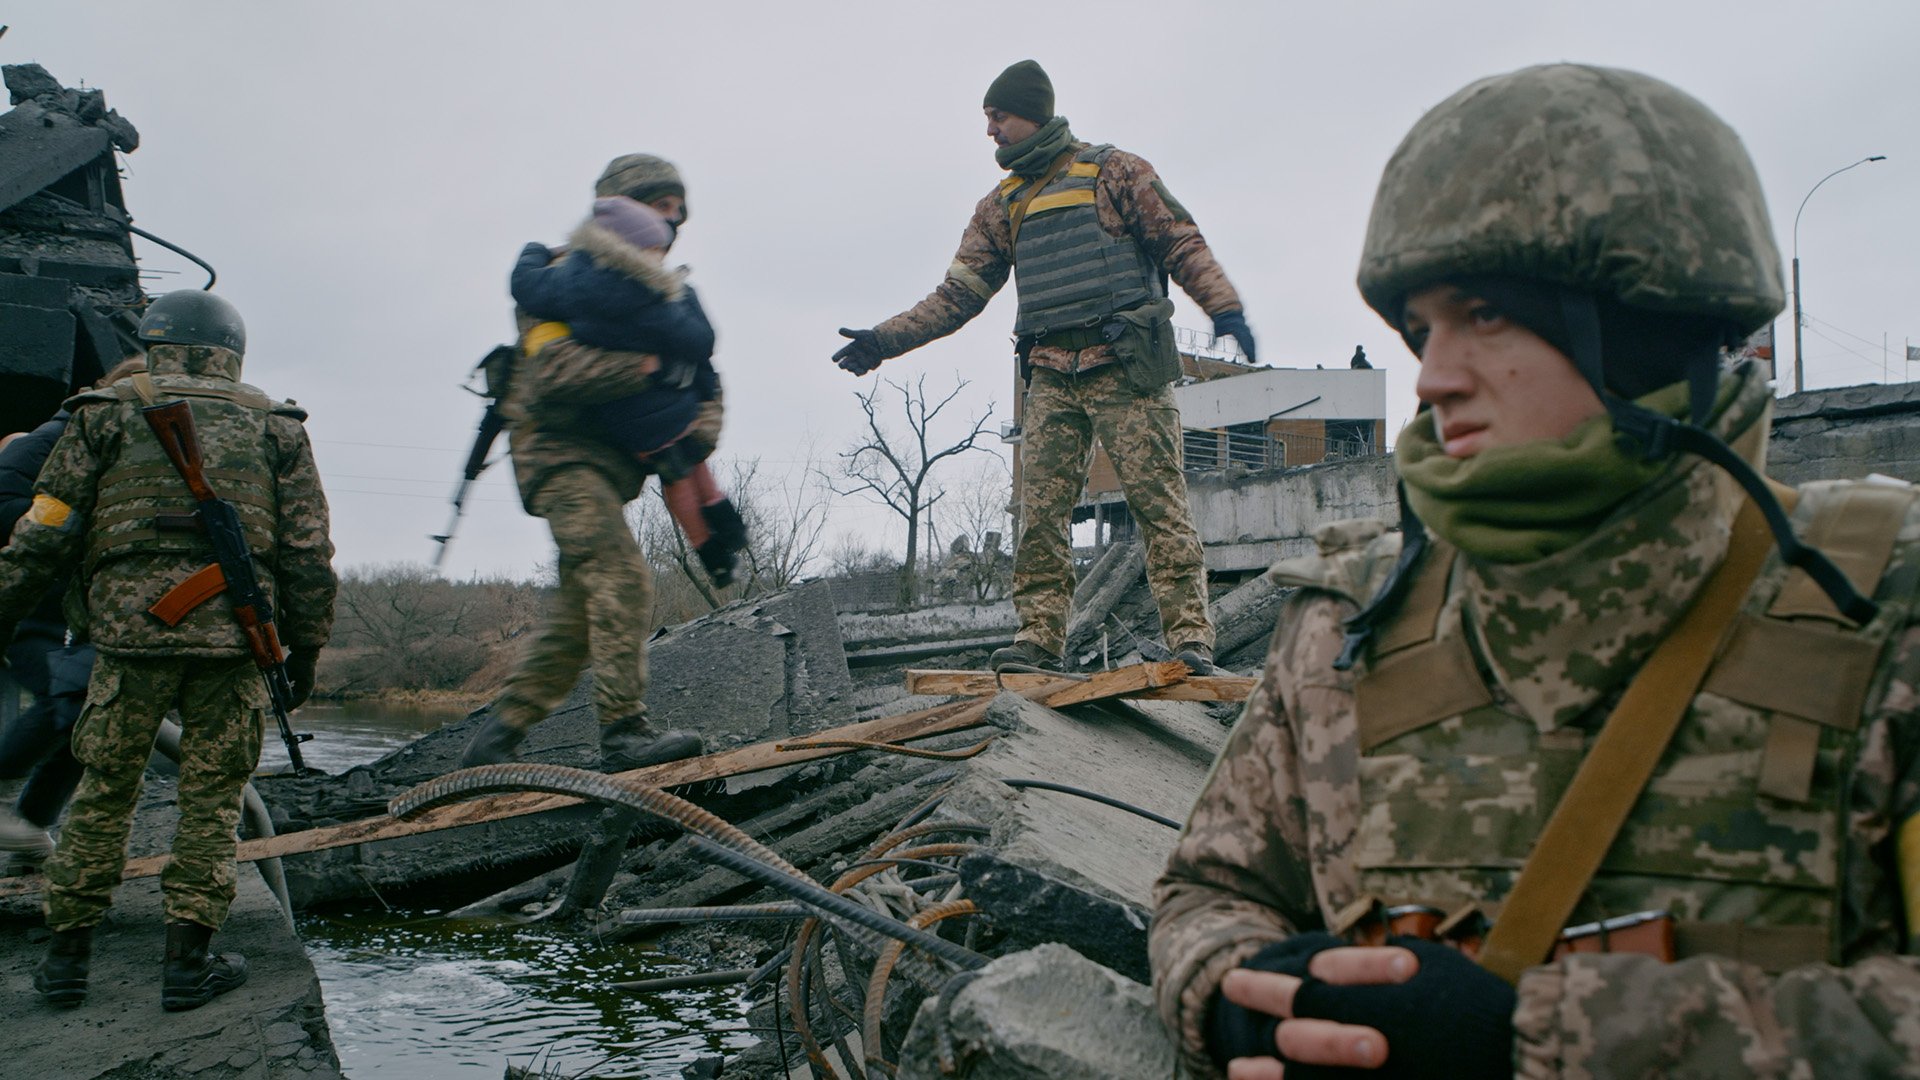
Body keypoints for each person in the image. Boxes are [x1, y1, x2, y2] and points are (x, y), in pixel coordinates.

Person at [1150, 63, 1920, 1078]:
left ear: (1645, 325)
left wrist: (1544, 1042)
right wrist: (1245, 1000)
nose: (1432, 376)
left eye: (1487, 315)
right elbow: (1207, 892)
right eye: (1423, 329)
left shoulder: (1883, 610)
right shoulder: (1349, 621)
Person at [832, 59, 1250, 675]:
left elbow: (1180, 241)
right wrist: (882, 341)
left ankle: (1191, 641)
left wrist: (1224, 307)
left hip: (1125, 368)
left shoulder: (1115, 171)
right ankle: (1038, 639)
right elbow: (957, 296)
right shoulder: (1002, 204)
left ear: (1033, 112)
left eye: (998, 116)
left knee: (1159, 508)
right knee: (1040, 517)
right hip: (1051, 374)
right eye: (987, 118)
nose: (991, 130)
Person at [0, 291, 335, 1011]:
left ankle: (65, 965)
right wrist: (302, 654)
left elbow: (43, 530)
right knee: (212, 807)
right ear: (232, 352)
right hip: (232, 647)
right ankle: (188, 968)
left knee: (100, 798)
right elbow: (309, 554)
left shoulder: (99, 416)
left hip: (124, 642)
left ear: (153, 344)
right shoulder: (277, 428)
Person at [457, 154, 708, 770]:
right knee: (623, 577)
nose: (671, 226)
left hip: (610, 469)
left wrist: (694, 429)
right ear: (622, 206)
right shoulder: (560, 281)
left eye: (679, 217)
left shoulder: (660, 294)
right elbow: (557, 371)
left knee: (573, 626)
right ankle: (625, 734)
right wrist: (650, 367)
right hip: (561, 459)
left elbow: (703, 384)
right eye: (660, 209)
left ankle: (493, 744)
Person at [509, 193, 747, 587]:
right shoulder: (649, 293)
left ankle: (715, 550)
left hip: (628, 419)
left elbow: (527, 284)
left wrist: (534, 251)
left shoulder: (569, 282)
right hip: (662, 408)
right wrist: (679, 309)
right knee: (689, 473)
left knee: (680, 475)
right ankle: (721, 537)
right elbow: (699, 341)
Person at [0, 358, 143, 861]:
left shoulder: (121, 447)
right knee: (75, 700)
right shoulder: (55, 436)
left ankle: (31, 827)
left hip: (70, 610)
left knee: (89, 712)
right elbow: (9, 501)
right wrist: (72, 524)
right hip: (25, 605)